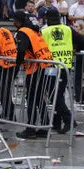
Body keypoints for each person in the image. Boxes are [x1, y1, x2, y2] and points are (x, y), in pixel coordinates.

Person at [41, 9, 84, 133]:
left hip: (51, 68)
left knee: (54, 96)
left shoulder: (44, 31)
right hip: (65, 66)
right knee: (57, 95)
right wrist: (75, 50)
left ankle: (69, 120)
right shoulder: (68, 29)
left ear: (48, 19)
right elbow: (83, 41)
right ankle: (56, 122)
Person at [12, 10, 53, 139]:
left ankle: (30, 128)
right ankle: (45, 126)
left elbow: (22, 49)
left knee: (31, 99)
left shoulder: (23, 32)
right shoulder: (34, 30)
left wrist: (17, 64)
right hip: (43, 66)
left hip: (34, 69)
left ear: (18, 21)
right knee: (40, 98)